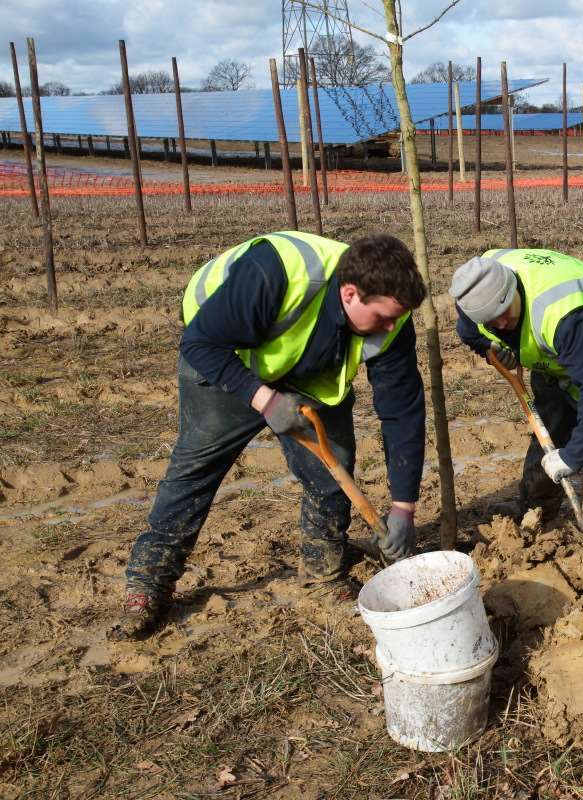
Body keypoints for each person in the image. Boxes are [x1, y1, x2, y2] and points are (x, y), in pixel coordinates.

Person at [115, 231, 427, 640]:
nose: (390, 325)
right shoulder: (273, 273)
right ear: (350, 294)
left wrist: (403, 506)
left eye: (396, 317)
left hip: (309, 373)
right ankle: (148, 584)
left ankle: (323, 576)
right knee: (196, 468)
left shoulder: (393, 316)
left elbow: (401, 410)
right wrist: (264, 400)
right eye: (383, 317)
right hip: (224, 359)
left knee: (331, 470)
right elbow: (199, 342)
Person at [449, 248, 583, 523]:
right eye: (492, 320)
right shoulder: (473, 295)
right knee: (549, 427)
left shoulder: (562, 312)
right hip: (553, 357)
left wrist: (573, 456)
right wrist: (492, 348)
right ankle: (537, 510)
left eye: (506, 311)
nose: (502, 322)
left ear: (512, 287)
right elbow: (469, 332)